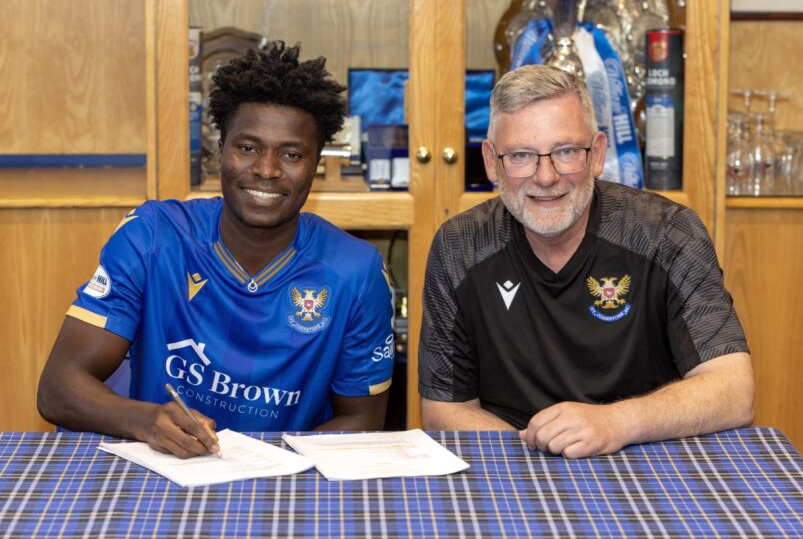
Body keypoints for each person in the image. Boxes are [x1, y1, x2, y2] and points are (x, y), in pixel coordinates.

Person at [38, 42, 394, 458]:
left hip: (284, 483)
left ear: (316, 164)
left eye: (292, 154)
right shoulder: (152, 236)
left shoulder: (355, 271)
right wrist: (145, 420)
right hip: (162, 469)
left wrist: (267, 464)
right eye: (247, 147)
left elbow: (363, 421)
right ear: (220, 150)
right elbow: (58, 387)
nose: (266, 169)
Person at [418, 64, 754, 459]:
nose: (545, 176)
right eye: (522, 156)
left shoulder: (667, 233)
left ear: (597, 154)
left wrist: (616, 422)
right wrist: (545, 451)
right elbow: (444, 408)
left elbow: (734, 389)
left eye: (566, 152)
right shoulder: (460, 245)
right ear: (491, 161)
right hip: (510, 459)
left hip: (644, 455)